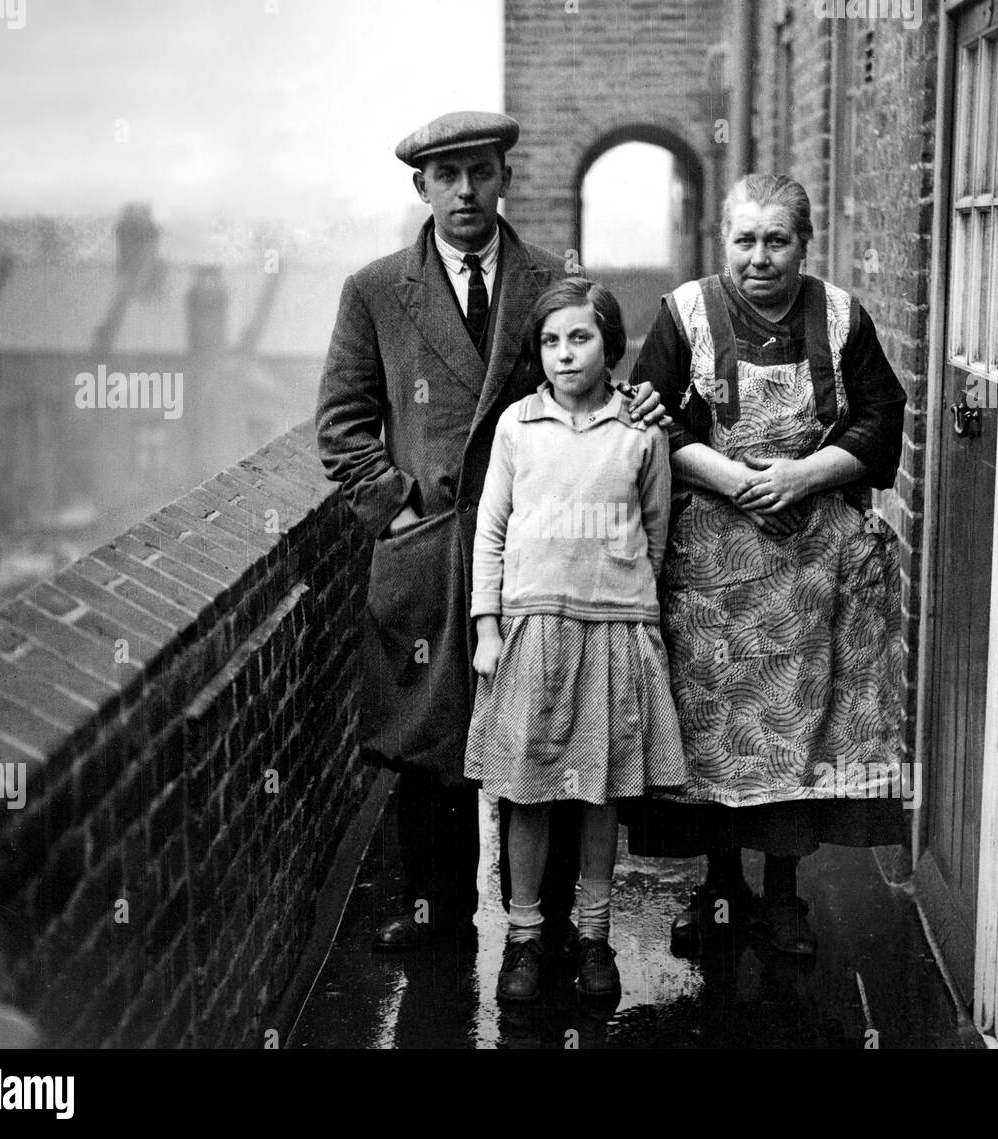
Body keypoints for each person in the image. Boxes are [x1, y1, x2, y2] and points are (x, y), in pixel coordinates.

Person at [315, 111, 665, 955]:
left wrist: (643, 405)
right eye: (446, 176)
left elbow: (594, 379)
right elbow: (341, 426)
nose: (464, 191)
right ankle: (435, 911)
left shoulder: (550, 280)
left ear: (504, 176)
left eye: (479, 171)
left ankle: (529, 926)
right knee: (427, 744)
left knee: (538, 737)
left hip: (541, 552)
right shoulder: (375, 291)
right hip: (431, 551)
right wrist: (401, 513)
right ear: (421, 189)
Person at [625, 173, 909, 959]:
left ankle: (785, 899)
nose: (760, 257)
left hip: (810, 564)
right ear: (726, 242)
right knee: (715, 730)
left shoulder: (843, 317)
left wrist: (802, 475)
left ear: (803, 242)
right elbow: (647, 420)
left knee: (799, 729)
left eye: (777, 240)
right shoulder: (684, 315)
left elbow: (883, 419)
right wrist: (741, 484)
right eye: (745, 240)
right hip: (716, 563)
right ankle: (719, 890)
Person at [466, 278, 686, 1001]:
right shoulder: (516, 427)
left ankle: (594, 937)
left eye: (581, 338)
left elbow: (655, 531)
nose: (565, 354)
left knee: (598, 794)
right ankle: (524, 940)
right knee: (526, 793)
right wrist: (488, 626)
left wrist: (630, 608)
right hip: (532, 630)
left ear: (609, 344)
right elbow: (491, 532)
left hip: (613, 631)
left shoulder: (639, 428)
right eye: (551, 341)